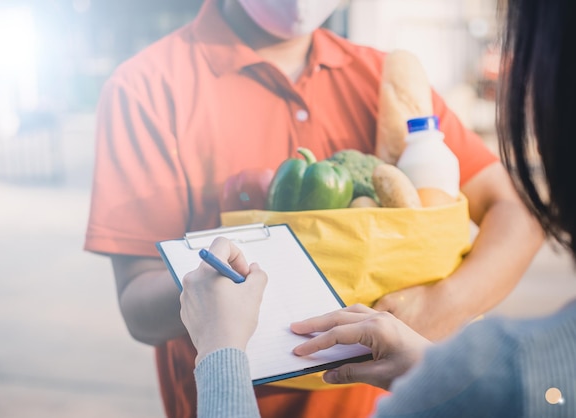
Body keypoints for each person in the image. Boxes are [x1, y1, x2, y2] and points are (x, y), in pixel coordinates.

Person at [84, 0, 543, 416]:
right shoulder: (146, 87)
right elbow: (138, 307)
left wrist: (443, 305)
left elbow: (518, 212)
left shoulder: (381, 77)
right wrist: (257, 278)